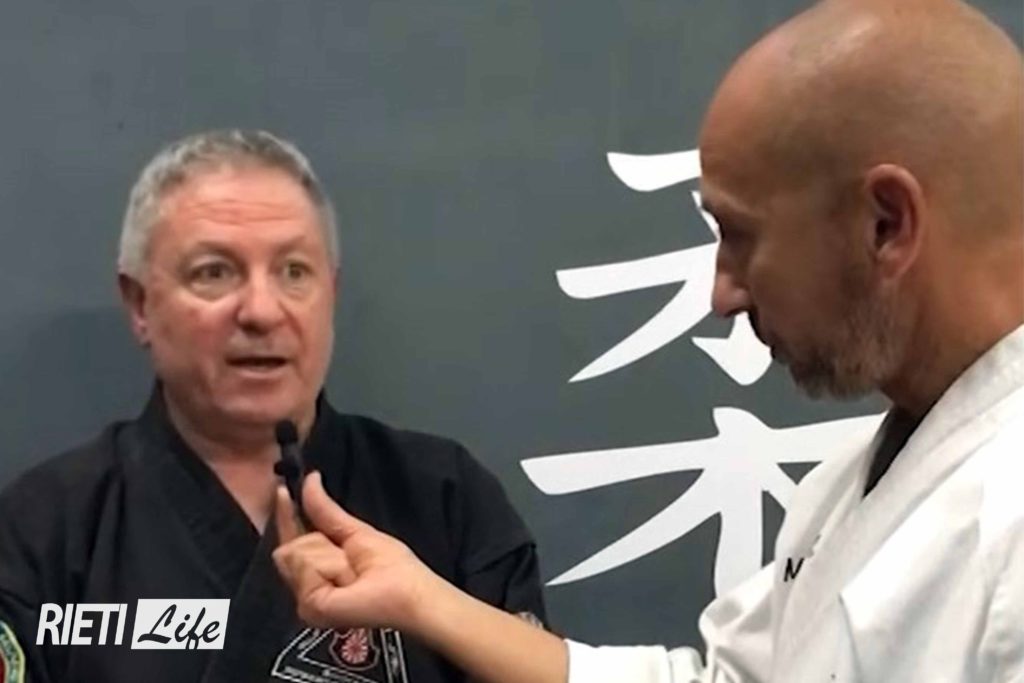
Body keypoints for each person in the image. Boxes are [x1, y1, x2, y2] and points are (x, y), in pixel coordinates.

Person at [271, 0, 1024, 681]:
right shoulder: (849, 487)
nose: (722, 294)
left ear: (886, 224)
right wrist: (424, 600)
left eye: (740, 236)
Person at [0, 130, 546, 683]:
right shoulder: (48, 528)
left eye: (294, 272)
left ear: (331, 295)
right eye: (214, 272)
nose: (261, 310)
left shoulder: (445, 499)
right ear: (140, 304)